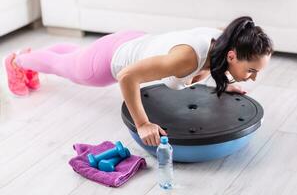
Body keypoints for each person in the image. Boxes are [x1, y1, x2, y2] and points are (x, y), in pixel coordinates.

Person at [4, 16, 273, 146]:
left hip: (135, 40)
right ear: (232, 55)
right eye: (251, 70)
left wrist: (224, 84)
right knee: (65, 67)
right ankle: (17, 61)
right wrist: (143, 124)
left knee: (74, 58)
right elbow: (127, 76)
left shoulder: (226, 39)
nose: (253, 77)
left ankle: (40, 56)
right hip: (110, 61)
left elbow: (213, 66)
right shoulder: (185, 59)